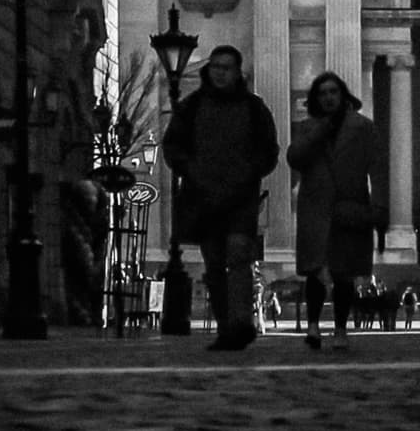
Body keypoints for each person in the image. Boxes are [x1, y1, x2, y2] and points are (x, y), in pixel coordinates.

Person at [160, 46, 280, 354]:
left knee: (239, 256)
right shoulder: (191, 107)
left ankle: (240, 322)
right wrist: (191, 170)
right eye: (215, 66)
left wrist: (249, 172)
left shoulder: (254, 109)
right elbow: (172, 147)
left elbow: (269, 151)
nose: (220, 72)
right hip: (203, 197)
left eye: (226, 67)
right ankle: (228, 326)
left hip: (240, 196)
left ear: (237, 71)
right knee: (214, 263)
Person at [288, 72, 384, 347]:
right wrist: (320, 132)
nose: (328, 97)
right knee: (316, 271)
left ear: (343, 95)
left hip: (350, 206)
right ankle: (314, 327)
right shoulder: (307, 128)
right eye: (323, 93)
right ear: (316, 99)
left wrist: (379, 207)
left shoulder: (363, 127)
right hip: (315, 208)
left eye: (333, 92)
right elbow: (294, 158)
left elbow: (377, 167)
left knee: (344, 274)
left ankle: (341, 330)